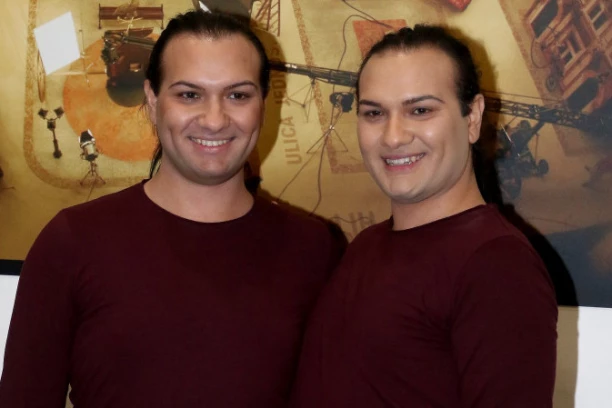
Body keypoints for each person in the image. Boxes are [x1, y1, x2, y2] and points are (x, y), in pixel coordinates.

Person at [0, 10, 342, 408]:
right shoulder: (73, 243)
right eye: (189, 95)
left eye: (237, 95)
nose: (214, 120)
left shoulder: (313, 249)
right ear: (151, 101)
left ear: (264, 104)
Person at [290, 25, 558, 408]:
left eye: (420, 110)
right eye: (374, 113)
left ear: (472, 118)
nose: (393, 136)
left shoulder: (496, 264)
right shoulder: (368, 244)